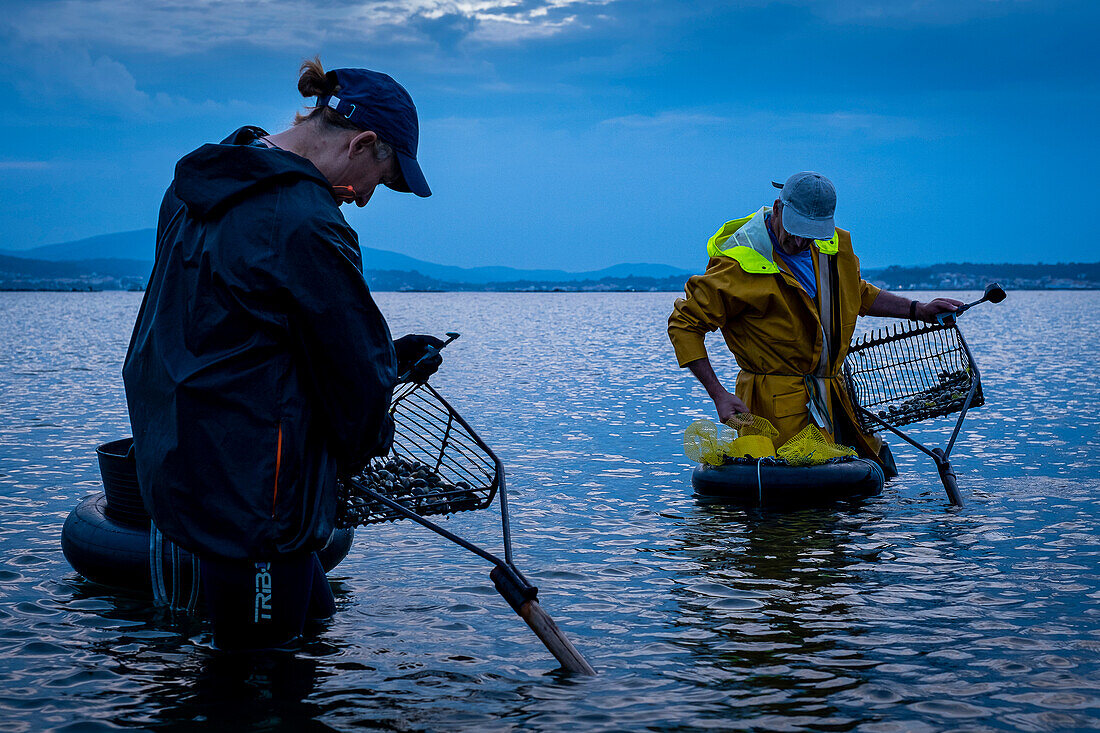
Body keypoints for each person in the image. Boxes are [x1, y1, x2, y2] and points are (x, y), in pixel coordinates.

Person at [123, 58, 445, 650]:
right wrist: (371, 432)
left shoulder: (205, 184)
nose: (370, 200)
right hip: (256, 494)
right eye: (387, 178)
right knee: (258, 682)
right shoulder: (302, 219)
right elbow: (354, 382)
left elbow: (233, 326)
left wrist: (387, 356)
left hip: (188, 458)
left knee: (314, 631)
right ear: (363, 142)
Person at [668, 172, 963, 473]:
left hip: (836, 398)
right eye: (795, 229)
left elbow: (856, 292)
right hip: (774, 408)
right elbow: (684, 325)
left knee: (873, 476)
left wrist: (918, 309)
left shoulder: (832, 246)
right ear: (777, 207)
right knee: (792, 497)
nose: (799, 241)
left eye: (809, 233)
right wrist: (718, 394)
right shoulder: (737, 261)